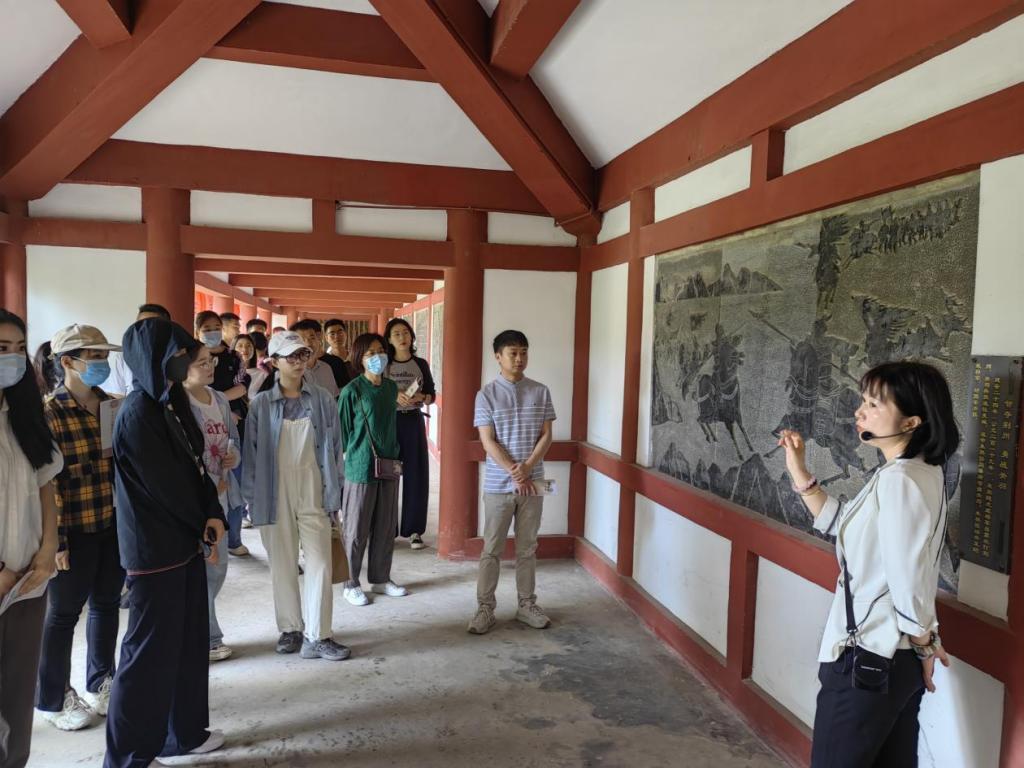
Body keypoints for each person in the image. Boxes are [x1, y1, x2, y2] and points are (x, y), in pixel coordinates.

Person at [778, 361, 957, 768]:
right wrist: (800, 472)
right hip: (892, 658)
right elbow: (847, 527)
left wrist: (925, 644)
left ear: (911, 422)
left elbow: (907, 578)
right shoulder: (916, 473)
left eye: (874, 404)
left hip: (869, 659)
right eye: (863, 400)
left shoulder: (900, 480)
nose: (860, 411)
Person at [103, 318, 226, 767]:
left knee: (188, 644)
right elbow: (166, 488)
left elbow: (197, 466)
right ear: (151, 359)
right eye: (175, 355)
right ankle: (129, 757)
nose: (183, 361)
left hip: (184, 542)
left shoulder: (170, 403)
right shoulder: (137, 413)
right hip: (154, 551)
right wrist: (201, 519)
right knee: (148, 655)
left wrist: (212, 511)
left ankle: (184, 734)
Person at [35, 326, 125, 733]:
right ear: (68, 362)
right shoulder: (49, 414)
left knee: (106, 604)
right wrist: (55, 541)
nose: (102, 363)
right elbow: (48, 483)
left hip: (111, 522)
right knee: (62, 615)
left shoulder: (110, 406)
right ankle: (52, 698)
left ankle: (101, 682)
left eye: (104, 355)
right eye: (94, 356)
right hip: (71, 528)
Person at [241, 331, 349, 661]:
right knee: (283, 564)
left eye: (303, 354)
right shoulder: (261, 404)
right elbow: (251, 454)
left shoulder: (322, 399)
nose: (299, 362)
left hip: (315, 486)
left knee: (320, 562)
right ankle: (290, 628)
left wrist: (336, 493)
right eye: (291, 356)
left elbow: (335, 448)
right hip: (272, 491)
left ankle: (320, 634)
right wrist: (251, 499)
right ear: (274, 362)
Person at [0, 309, 63, 768]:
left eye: (19, 349)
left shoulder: (24, 415)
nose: (12, 358)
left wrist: (47, 550)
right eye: (2, 348)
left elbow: (45, 485)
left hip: (27, 579)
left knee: (17, 693)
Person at [469, 330, 554, 635]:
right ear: (498, 357)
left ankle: (526, 605)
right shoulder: (486, 394)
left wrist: (528, 468)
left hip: (533, 483)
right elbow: (487, 440)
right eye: (512, 353)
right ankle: (485, 609)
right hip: (498, 485)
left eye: (523, 352)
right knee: (491, 548)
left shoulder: (541, 391)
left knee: (527, 548)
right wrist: (514, 471)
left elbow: (547, 435)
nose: (519, 359)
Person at [183, 344, 243, 662]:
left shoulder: (218, 398)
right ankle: (208, 638)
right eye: (202, 363)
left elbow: (234, 439)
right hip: (196, 499)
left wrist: (234, 456)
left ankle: (199, 632)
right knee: (207, 567)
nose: (210, 368)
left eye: (212, 362)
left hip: (222, 493)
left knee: (218, 569)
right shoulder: (179, 402)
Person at [338, 333, 407, 606]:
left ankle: (380, 578)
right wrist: (351, 459)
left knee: (385, 526)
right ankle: (350, 583)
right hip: (360, 467)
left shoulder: (390, 388)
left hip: (389, 464)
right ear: (359, 358)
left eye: (380, 351)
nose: (378, 357)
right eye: (370, 353)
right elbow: (343, 434)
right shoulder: (351, 391)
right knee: (356, 529)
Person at [195, 311, 249, 556]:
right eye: (206, 328)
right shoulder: (191, 357)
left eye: (216, 327)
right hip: (203, 429)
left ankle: (233, 539)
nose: (212, 332)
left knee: (232, 484)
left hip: (229, 424)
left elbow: (242, 385)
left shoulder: (233, 357)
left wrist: (219, 404)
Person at [383, 318, 436, 550]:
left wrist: (421, 397)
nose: (402, 337)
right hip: (389, 422)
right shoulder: (384, 364)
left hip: (413, 421)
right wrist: (393, 395)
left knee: (416, 475)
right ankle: (387, 529)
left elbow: (432, 394)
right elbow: (375, 391)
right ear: (389, 339)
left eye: (405, 332)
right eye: (396, 333)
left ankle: (414, 531)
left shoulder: (420, 364)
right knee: (388, 475)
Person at [290, 319, 349, 397]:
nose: (308, 343)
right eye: (302, 340)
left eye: (312, 338)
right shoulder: (287, 371)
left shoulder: (326, 368)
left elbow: (335, 397)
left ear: (318, 338)